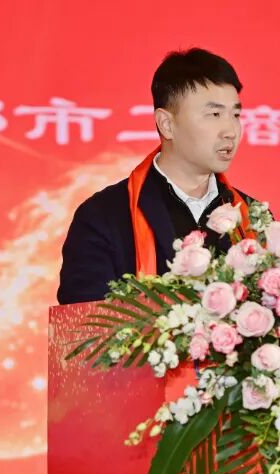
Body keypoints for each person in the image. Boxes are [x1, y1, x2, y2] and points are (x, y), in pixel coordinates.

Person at [57, 48, 262, 305]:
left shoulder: (252, 217)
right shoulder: (104, 216)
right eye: (214, 114)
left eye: (236, 115)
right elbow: (84, 322)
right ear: (167, 124)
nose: (231, 131)